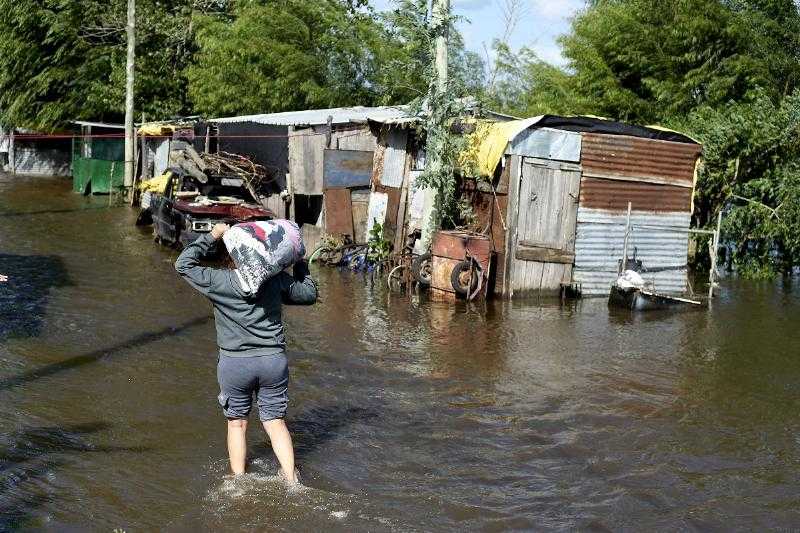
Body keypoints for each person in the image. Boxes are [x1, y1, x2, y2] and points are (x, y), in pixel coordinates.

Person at [175, 223, 317, 482]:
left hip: (235, 364)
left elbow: (183, 264)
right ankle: (291, 479)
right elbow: (308, 294)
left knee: (237, 424)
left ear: (231, 255)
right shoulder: (275, 280)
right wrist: (301, 263)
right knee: (275, 423)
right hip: (273, 362)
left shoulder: (218, 281)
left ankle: (239, 481)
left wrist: (213, 235)